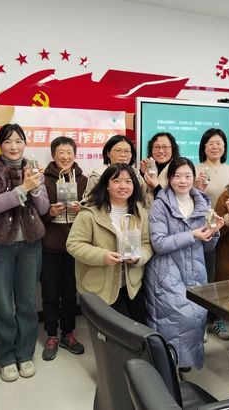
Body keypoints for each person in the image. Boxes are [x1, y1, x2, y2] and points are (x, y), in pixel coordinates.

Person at [0, 123, 50, 382]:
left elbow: (43, 208)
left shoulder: (33, 167)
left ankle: (25, 353)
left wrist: (36, 187)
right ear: (0, 145)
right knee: (3, 305)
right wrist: (23, 189)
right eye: (8, 141)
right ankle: (7, 357)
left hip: (30, 245)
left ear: (24, 144)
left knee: (28, 303)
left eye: (18, 141)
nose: (14, 146)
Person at [145, 157, 224, 371]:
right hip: (166, 270)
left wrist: (214, 232)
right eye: (177, 176)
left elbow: (207, 246)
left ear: (193, 178)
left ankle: (184, 362)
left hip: (195, 269)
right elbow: (159, 243)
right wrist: (193, 235)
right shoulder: (160, 204)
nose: (183, 180)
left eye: (187, 176)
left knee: (197, 316)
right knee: (176, 316)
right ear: (169, 179)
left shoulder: (203, 203)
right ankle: (168, 364)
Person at [66, 163, 152, 324]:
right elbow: (74, 244)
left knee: (140, 328)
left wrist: (138, 257)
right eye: (117, 181)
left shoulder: (140, 212)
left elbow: (146, 244)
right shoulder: (90, 213)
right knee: (120, 331)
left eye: (128, 181)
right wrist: (103, 256)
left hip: (131, 286)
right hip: (101, 287)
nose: (123, 186)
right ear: (106, 184)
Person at [40, 137, 87, 361]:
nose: (65, 157)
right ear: (53, 155)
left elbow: (93, 211)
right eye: (61, 152)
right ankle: (51, 334)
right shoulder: (42, 181)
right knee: (50, 294)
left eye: (69, 152)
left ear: (75, 155)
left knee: (70, 294)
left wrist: (82, 210)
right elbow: (34, 214)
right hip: (49, 247)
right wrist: (49, 213)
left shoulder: (83, 181)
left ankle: (68, 333)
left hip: (75, 248)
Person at [194, 128, 229, 341]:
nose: (215, 146)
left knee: (220, 274)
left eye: (219, 143)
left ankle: (216, 318)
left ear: (225, 147)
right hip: (204, 231)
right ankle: (201, 320)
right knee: (205, 275)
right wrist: (197, 186)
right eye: (210, 143)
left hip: (227, 229)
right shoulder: (195, 169)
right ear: (203, 146)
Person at [81, 134, 151, 207]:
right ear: (108, 153)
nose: (123, 155)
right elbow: (89, 202)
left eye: (127, 151)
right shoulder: (98, 175)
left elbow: (144, 201)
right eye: (118, 151)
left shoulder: (136, 174)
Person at [139, 132, 180, 197]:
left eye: (165, 147)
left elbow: (174, 200)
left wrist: (156, 187)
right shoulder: (147, 166)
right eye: (156, 147)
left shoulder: (179, 170)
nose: (161, 151)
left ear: (173, 149)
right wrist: (142, 173)